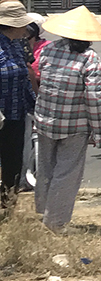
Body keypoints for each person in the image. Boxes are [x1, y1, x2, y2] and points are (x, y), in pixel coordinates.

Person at [33, 6, 101, 231]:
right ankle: (55, 222)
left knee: (46, 167)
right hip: (75, 126)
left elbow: (42, 79)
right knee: (66, 173)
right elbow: (93, 98)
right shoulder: (89, 58)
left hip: (45, 120)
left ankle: (45, 212)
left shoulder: (49, 50)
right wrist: (98, 130)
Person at [0, 0, 36, 205]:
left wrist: (35, 107)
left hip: (16, 114)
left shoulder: (17, 45)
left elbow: (24, 81)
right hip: (1, 114)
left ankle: (8, 205)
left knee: (13, 162)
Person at [19, 12, 46, 193]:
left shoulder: (45, 48)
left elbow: (32, 72)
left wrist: (37, 98)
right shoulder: (18, 45)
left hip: (35, 97)